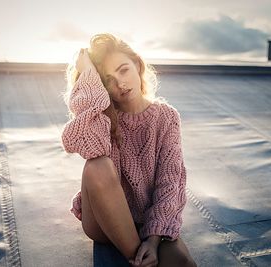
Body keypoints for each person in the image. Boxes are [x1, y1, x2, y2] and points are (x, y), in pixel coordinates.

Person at [61, 33, 197, 267]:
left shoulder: (166, 117)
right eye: (107, 80)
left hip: (148, 215)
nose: (120, 84)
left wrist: (153, 241)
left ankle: (144, 254)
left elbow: (170, 181)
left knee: (181, 262)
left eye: (123, 70)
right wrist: (88, 75)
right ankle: (137, 258)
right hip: (104, 218)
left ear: (137, 64)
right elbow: (80, 141)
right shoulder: (103, 118)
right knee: (98, 165)